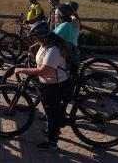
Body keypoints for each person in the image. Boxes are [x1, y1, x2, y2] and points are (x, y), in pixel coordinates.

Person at [15, 21, 71, 150]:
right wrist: (33, 52)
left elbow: (44, 71)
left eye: (35, 37)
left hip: (55, 85)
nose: (34, 40)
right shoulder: (46, 44)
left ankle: (52, 143)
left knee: (52, 114)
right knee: (53, 112)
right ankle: (56, 127)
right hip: (50, 83)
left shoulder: (53, 49)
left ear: (41, 36)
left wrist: (21, 70)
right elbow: (41, 64)